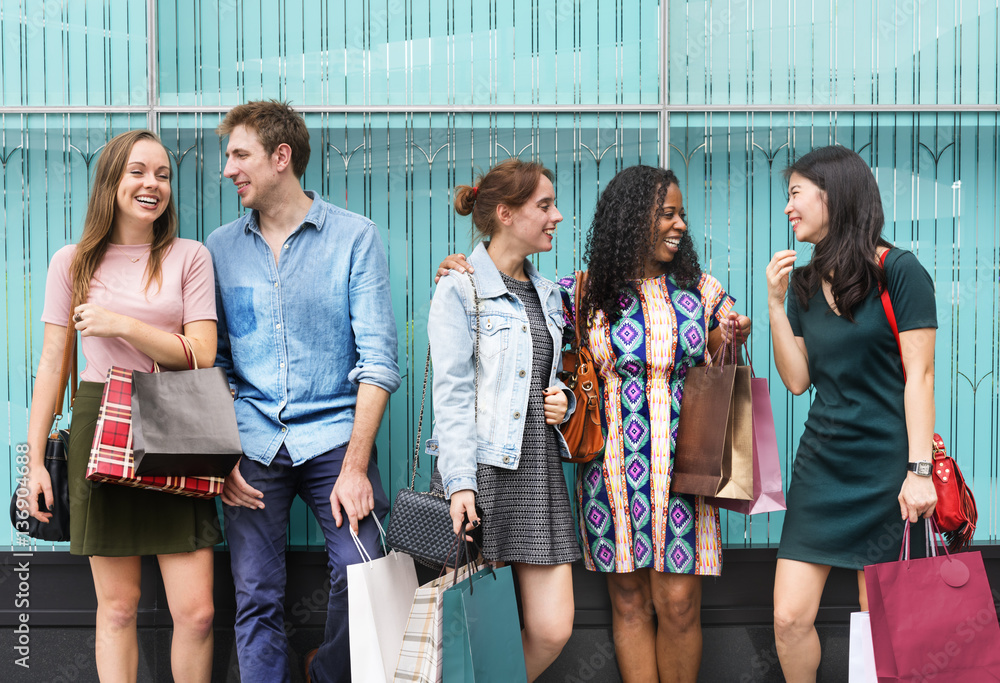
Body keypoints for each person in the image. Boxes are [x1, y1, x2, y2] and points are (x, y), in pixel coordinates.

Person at [437, 164, 750, 683]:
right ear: (631, 220)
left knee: (678, 602)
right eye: (666, 214)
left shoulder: (702, 291)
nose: (679, 225)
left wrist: (732, 334)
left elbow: (727, 348)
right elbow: (511, 295)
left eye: (681, 215)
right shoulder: (579, 295)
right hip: (611, 473)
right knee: (628, 601)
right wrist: (461, 268)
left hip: (685, 469)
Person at [207, 100, 400, 683]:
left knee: (362, 572)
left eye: (239, 154)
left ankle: (328, 673)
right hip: (252, 444)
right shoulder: (218, 247)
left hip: (335, 439)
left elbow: (379, 362)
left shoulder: (354, 238)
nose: (228, 169)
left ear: (280, 157)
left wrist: (357, 465)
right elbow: (212, 362)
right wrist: (221, 455)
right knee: (256, 595)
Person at [22, 129, 220, 682]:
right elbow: (52, 365)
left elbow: (201, 354)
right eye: (137, 171)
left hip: (176, 425)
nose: (152, 184)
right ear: (111, 179)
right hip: (98, 423)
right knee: (117, 607)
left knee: (199, 613)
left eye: (162, 174)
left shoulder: (190, 257)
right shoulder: (73, 262)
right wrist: (34, 462)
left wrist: (121, 325)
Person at [765, 145, 938, 682]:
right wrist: (773, 305)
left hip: (888, 469)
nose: (789, 207)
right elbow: (797, 381)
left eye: (796, 193)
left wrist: (919, 472)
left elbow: (921, 377)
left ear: (833, 195)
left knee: (877, 618)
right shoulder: (801, 283)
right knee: (788, 617)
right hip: (822, 467)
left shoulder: (900, 271)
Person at [428, 159, 581, 682]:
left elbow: (549, 375)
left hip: (536, 470)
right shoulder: (459, 289)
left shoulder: (551, 292)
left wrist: (565, 403)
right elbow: (449, 395)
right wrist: (459, 485)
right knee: (470, 630)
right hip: (480, 472)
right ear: (505, 213)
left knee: (553, 627)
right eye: (545, 205)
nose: (557, 215)